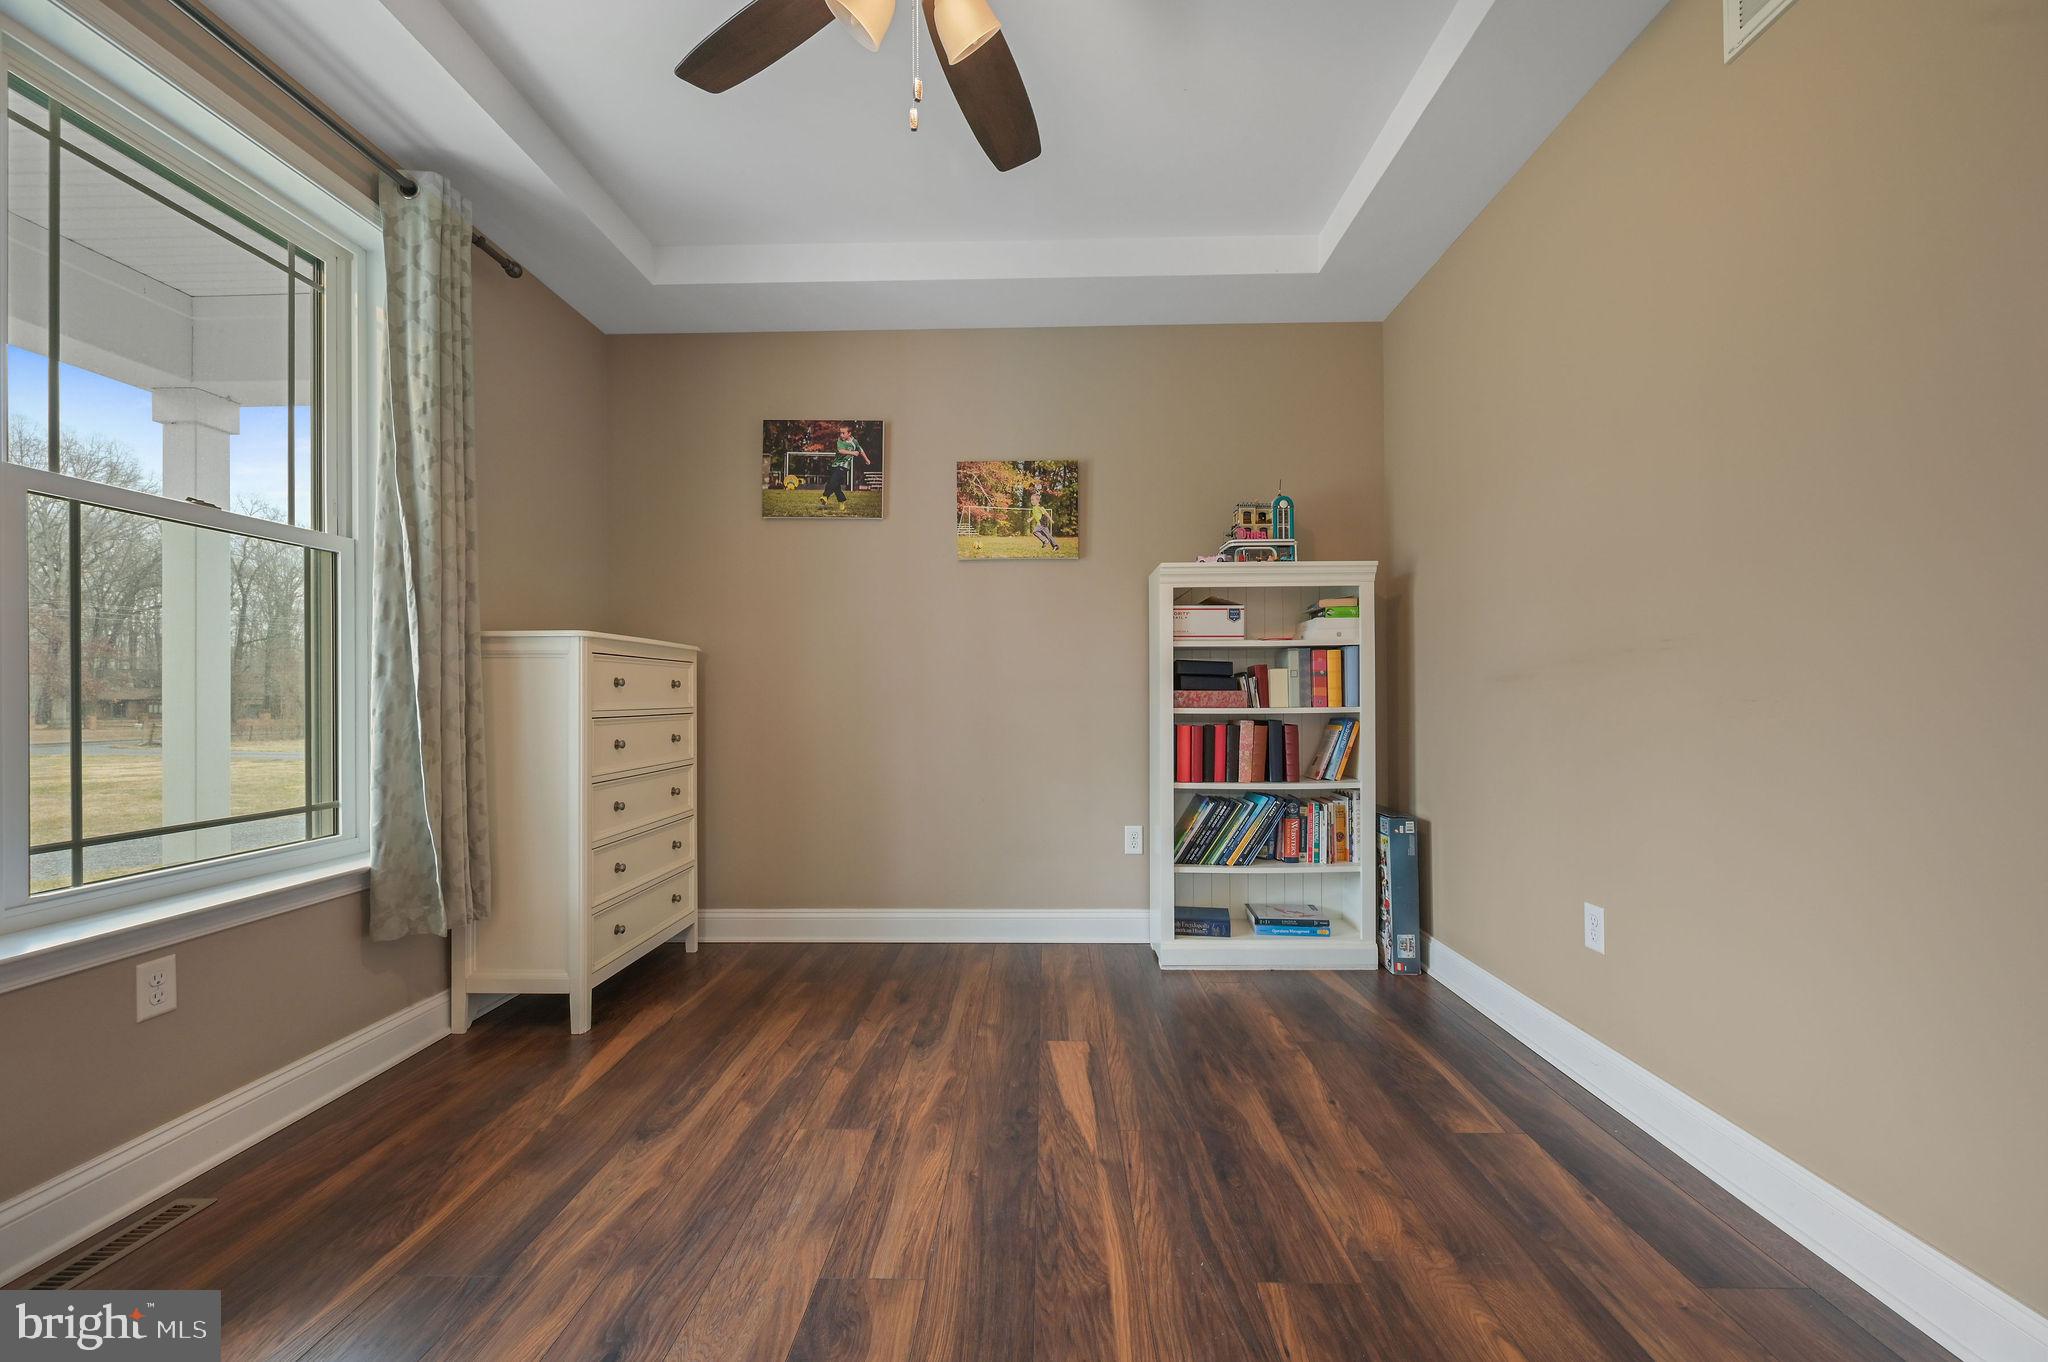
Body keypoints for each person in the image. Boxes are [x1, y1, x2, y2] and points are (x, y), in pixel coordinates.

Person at [820, 425, 872, 507]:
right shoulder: (840, 440)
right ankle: (842, 501)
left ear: (849, 433)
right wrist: (853, 453)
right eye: (840, 433)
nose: (841, 435)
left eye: (843, 433)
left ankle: (825, 496)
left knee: (833, 480)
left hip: (844, 466)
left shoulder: (854, 442)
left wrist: (866, 459)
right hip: (835, 464)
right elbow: (841, 451)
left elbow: (860, 450)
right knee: (835, 484)